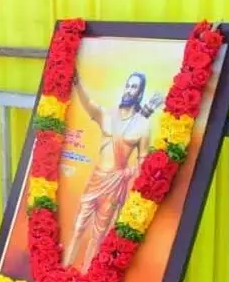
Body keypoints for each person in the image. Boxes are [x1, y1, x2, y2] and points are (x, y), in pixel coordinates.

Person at [63, 73, 161, 269]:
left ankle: (85, 276)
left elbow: (143, 163)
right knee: (78, 228)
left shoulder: (142, 126)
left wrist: (130, 173)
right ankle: (64, 268)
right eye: (128, 85)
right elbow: (89, 104)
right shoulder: (108, 115)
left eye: (134, 87)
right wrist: (78, 84)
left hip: (115, 185)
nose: (129, 90)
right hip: (96, 180)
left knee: (98, 235)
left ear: (140, 93)